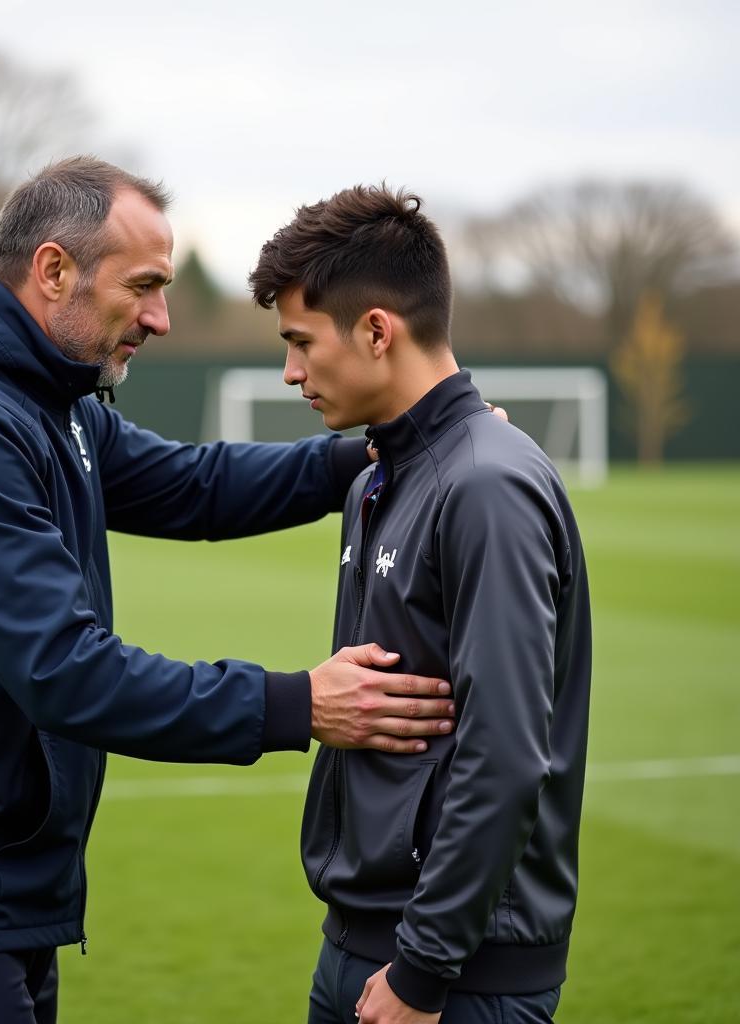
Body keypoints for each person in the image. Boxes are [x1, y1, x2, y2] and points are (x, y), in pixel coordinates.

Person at [0, 158, 459, 1023]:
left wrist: (384, 446)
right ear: (55, 270)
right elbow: (68, 672)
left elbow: (193, 485)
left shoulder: (46, 398)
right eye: (143, 286)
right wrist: (300, 704)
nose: (162, 318)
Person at [248, 184, 591, 1024]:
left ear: (375, 330)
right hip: (363, 946)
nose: (290, 372)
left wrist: (424, 969)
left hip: (454, 977)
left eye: (300, 343)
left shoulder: (487, 486)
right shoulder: (377, 477)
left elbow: (507, 750)